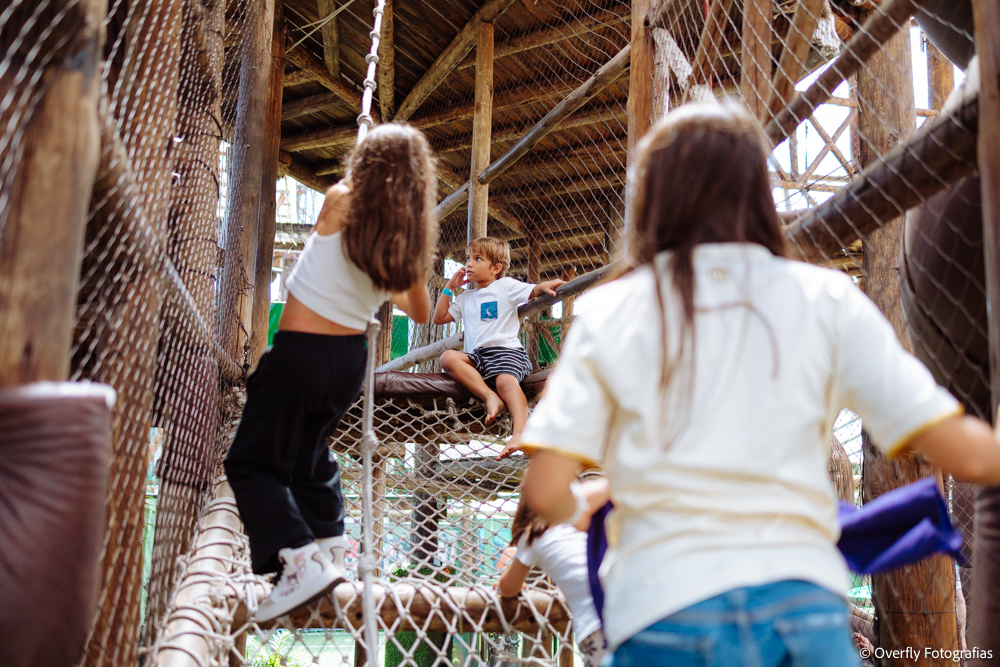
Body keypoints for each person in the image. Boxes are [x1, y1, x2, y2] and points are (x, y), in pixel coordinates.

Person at [515, 102, 1000, 666]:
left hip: (661, 609)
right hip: (801, 608)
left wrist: (603, 495)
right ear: (758, 193)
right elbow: (966, 454)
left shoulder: (608, 310)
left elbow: (545, 495)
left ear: (649, 202)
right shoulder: (827, 297)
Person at [224, 123, 438, 623]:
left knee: (250, 464)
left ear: (366, 165)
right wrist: (414, 260)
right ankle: (332, 545)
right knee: (307, 453)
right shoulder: (403, 241)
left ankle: (296, 559)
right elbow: (422, 311)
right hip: (346, 364)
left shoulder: (343, 196)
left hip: (300, 355)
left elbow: (329, 228)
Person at [432, 237, 564, 442]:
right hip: (478, 357)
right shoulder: (466, 298)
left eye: (477, 259)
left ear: (496, 268)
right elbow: (439, 318)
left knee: (505, 383)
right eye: (467, 258)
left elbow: (532, 289)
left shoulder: (504, 286)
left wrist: (547, 285)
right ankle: (489, 396)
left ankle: (520, 431)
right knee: (448, 358)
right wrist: (449, 287)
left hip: (506, 352)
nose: (469, 264)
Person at [497, 496, 607, 667]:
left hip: (596, 626)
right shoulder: (582, 527)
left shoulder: (533, 534)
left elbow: (508, 587)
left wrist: (514, 585)